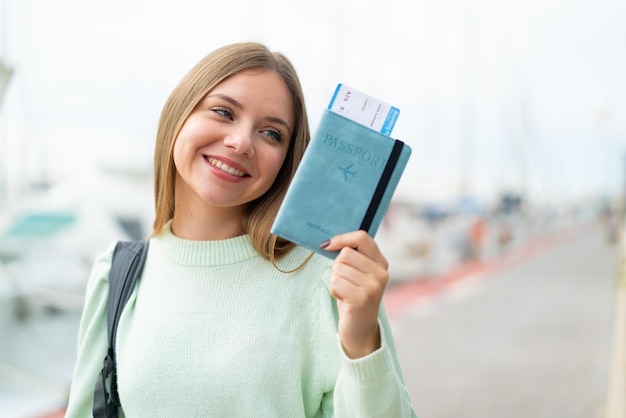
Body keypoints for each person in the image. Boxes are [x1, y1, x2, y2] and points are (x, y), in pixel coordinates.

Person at [65, 41, 419, 417]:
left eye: (271, 134)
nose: (240, 142)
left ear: (287, 162)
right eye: (223, 112)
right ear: (179, 114)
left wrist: (362, 340)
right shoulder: (117, 274)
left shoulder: (327, 278)